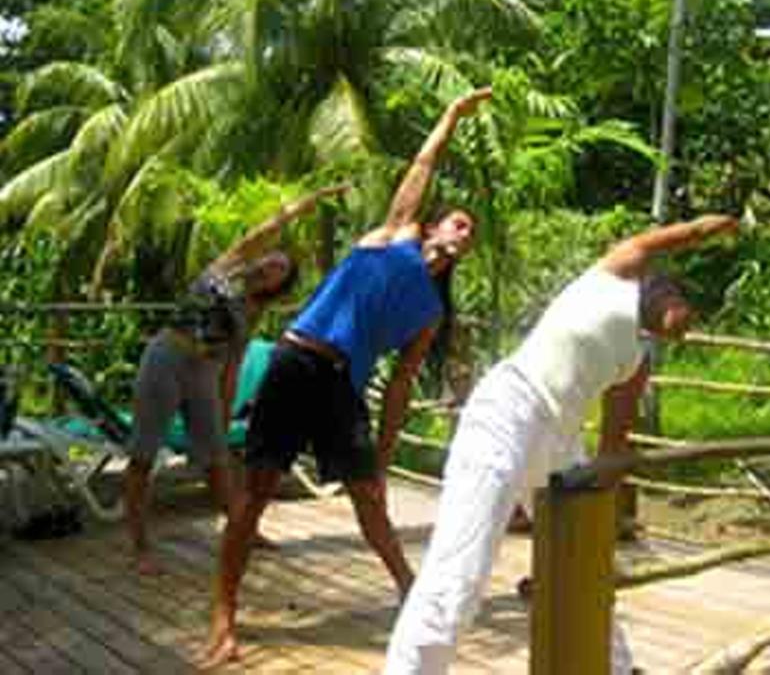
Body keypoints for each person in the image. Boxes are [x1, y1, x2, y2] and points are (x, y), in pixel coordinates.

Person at [201, 86, 493, 668]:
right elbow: (424, 164)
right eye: (458, 224)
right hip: (293, 362)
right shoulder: (389, 237)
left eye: (470, 235)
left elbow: (403, 386)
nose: (463, 235)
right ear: (433, 227)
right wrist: (453, 115)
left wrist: (383, 456)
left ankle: (413, 597)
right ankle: (223, 619)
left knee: (370, 502)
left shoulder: (431, 315)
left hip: (340, 387)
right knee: (254, 494)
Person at [383, 214, 739, 675]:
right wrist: (719, 226)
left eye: (685, 326)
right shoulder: (616, 274)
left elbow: (613, 447)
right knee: (458, 575)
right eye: (678, 301)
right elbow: (681, 235)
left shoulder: (638, 360)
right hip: (506, 412)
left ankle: (616, 668)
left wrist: (605, 509)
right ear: (657, 285)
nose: (682, 322)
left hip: (558, 442)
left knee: (584, 569)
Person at [126, 185, 346, 575]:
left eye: (279, 268)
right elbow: (265, 229)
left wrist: (225, 413)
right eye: (269, 260)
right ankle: (141, 546)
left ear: (280, 284)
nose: (268, 266)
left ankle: (243, 530)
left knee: (216, 458)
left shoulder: (253, 311)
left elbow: (234, 364)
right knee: (144, 454)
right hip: (167, 355)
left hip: (205, 372)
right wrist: (309, 202)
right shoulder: (225, 268)